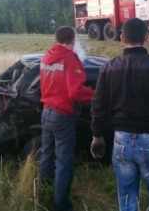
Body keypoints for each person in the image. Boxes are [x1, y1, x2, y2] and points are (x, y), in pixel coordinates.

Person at [89, 17, 149, 211]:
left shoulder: (108, 68)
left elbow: (98, 106)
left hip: (121, 142)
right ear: (145, 37)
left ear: (122, 37)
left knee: (127, 201)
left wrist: (97, 136)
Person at [39, 26, 94, 211]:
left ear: (55, 40)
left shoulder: (47, 57)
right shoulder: (70, 59)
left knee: (46, 156)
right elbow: (76, 91)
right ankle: (61, 205)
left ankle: (44, 193)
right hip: (62, 116)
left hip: (46, 112)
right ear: (72, 40)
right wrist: (96, 96)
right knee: (64, 162)